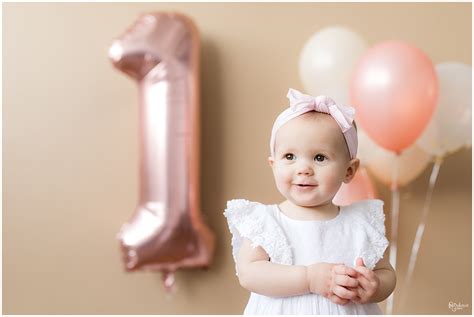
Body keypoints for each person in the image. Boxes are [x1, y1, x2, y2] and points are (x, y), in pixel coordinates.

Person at [224, 88, 396, 314]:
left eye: (319, 157)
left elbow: (386, 272)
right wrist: (309, 278)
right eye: (289, 157)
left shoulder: (360, 222)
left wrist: (375, 286)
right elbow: (249, 273)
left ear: (349, 171)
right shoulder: (266, 222)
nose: (303, 169)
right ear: (273, 165)